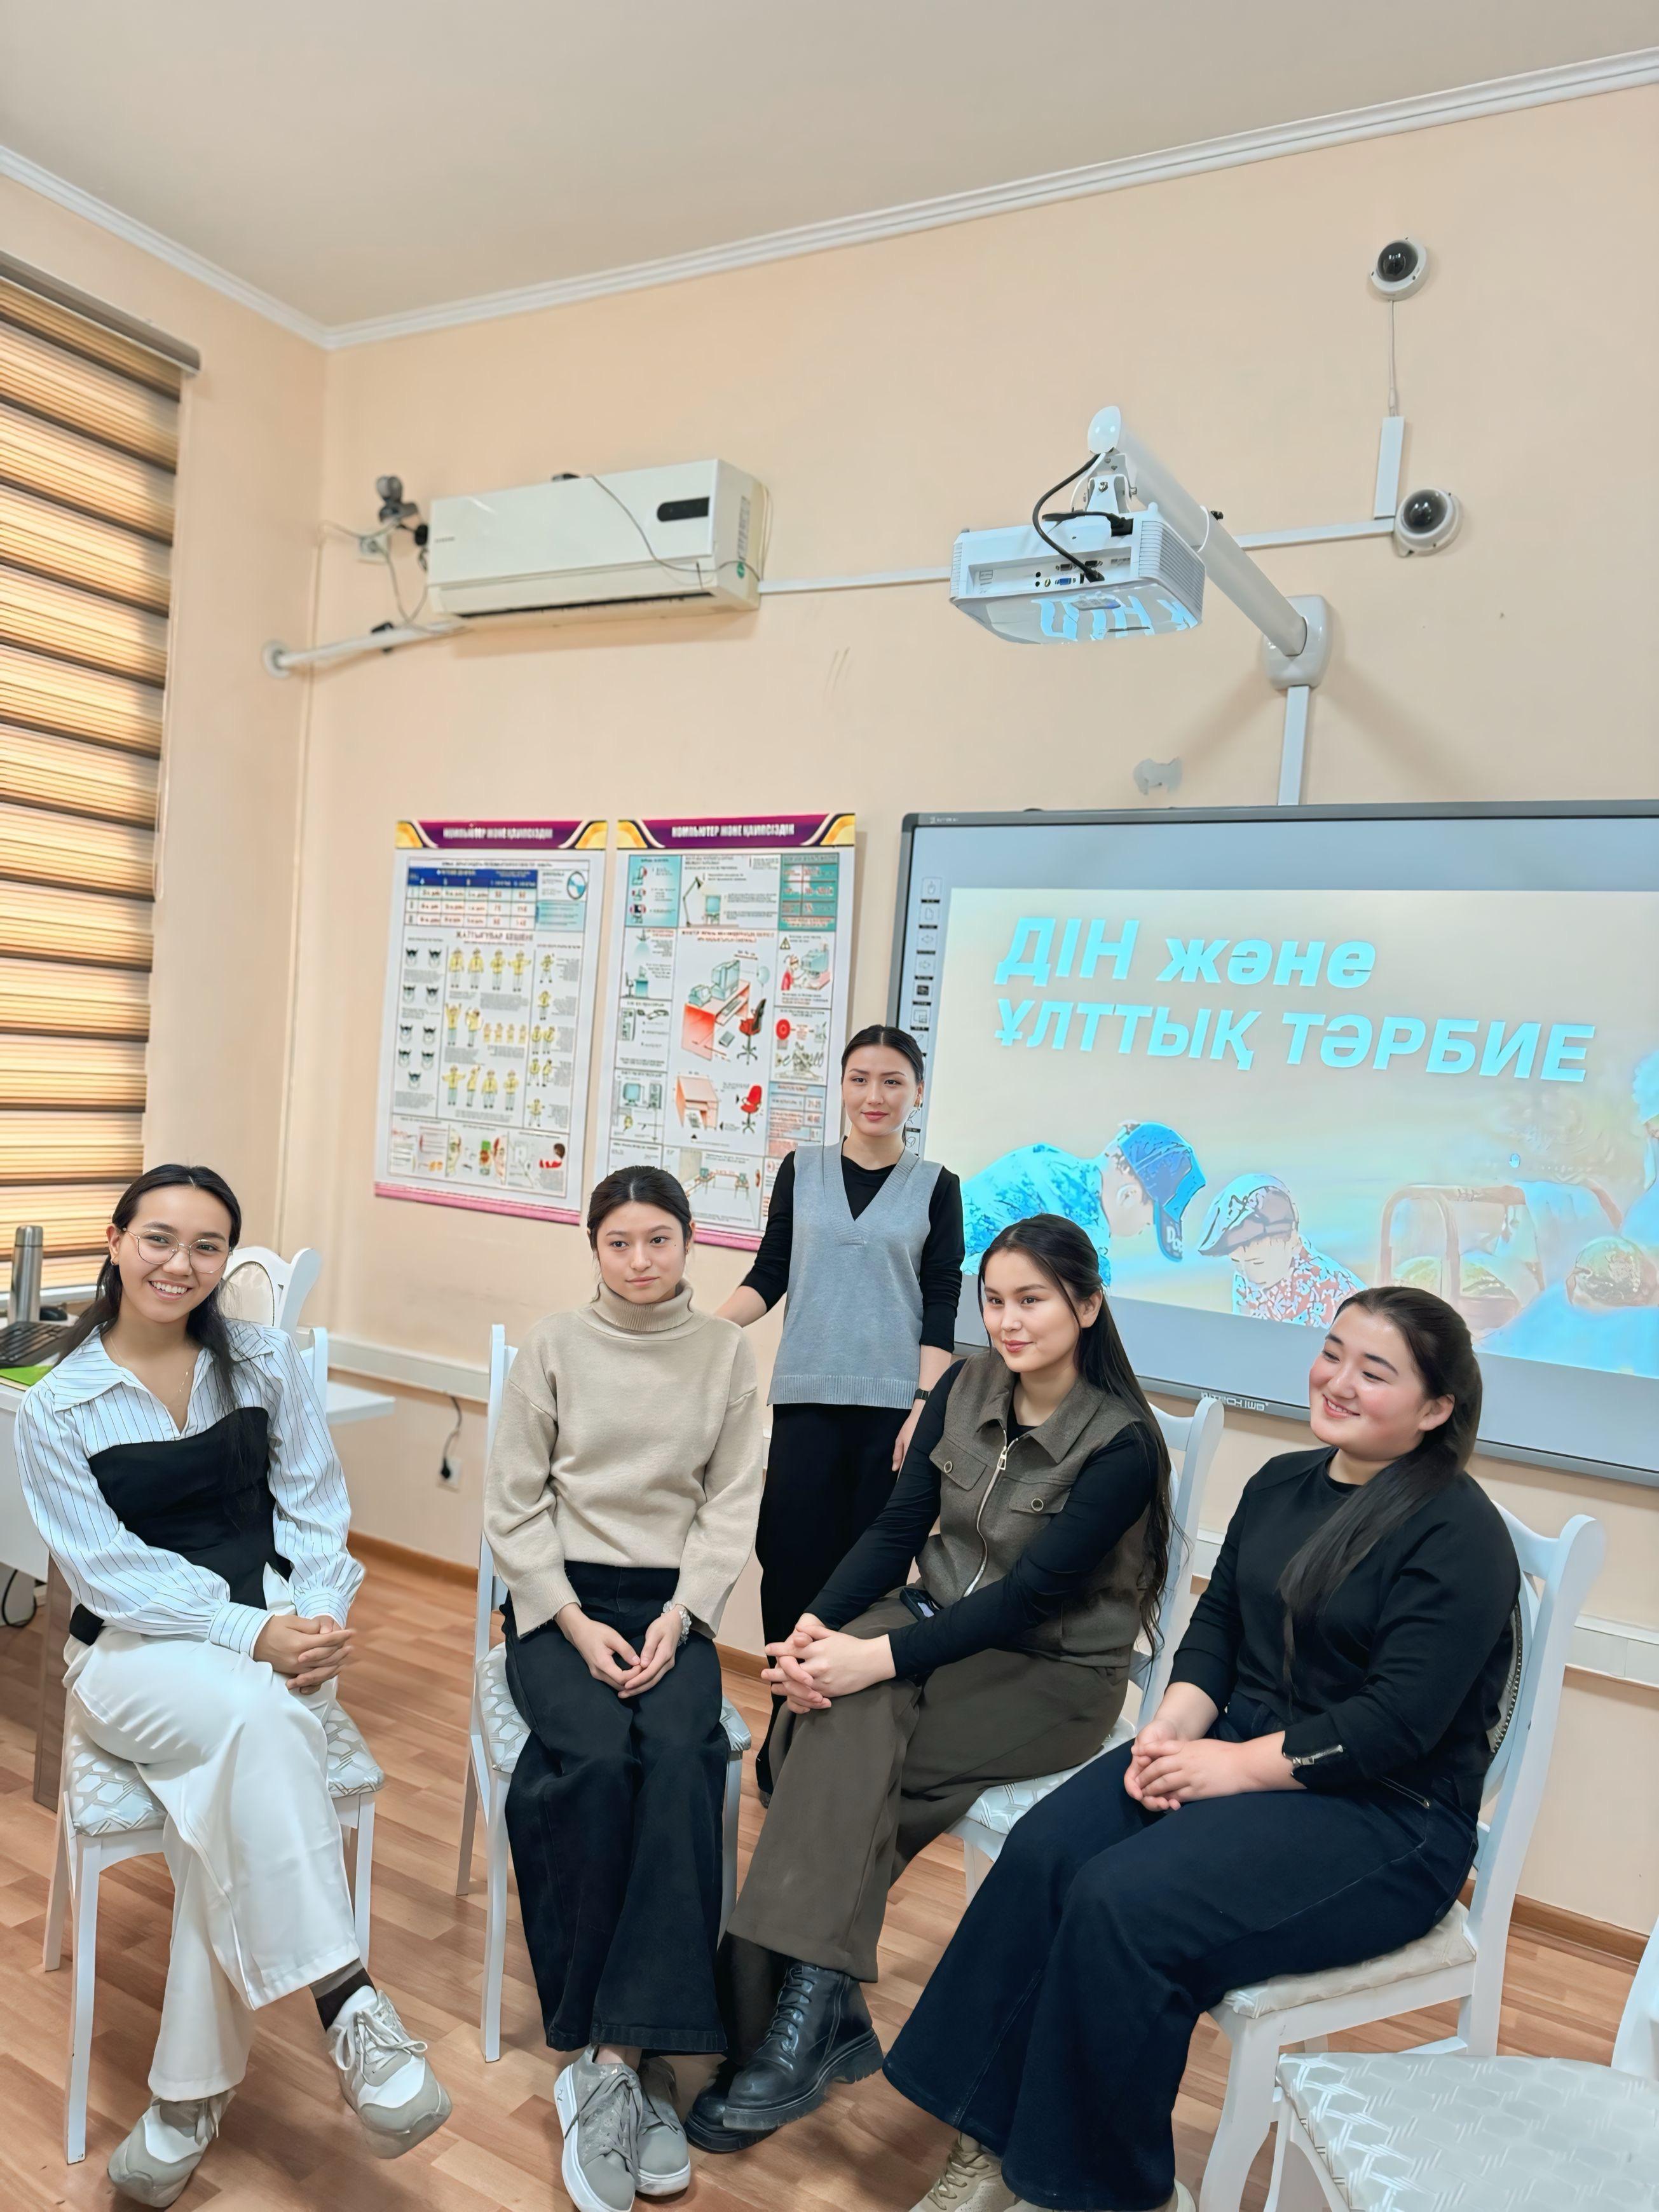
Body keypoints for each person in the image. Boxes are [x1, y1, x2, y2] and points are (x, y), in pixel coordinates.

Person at [887, 1283, 1518, 2212]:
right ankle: (991, 2138)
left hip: (1385, 1814)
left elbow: (1396, 1723)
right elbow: (1220, 1625)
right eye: (1332, 1353)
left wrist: (1230, 1767)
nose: (1338, 1381)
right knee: (1047, 1851)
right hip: (1237, 1750)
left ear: (1435, 1409)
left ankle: (1109, 2191)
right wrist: (1175, 1725)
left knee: (1125, 1904)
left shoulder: (1460, 1535)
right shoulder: (1281, 1484)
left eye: (1374, 1372)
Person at [15, 1164, 449, 2208]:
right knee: (259, 1718)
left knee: (229, 1788)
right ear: (115, 1243)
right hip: (131, 1658)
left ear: (225, 1261)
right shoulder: (59, 1404)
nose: (181, 1263)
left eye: (207, 1245)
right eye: (158, 1239)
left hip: (272, 1640)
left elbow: (313, 1504)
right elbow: (110, 1576)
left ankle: (186, 2100)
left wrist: (319, 1615)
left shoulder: (262, 1360)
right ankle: (346, 1997)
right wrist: (252, 1633)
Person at [690, 1214, 1170, 2157]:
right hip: (931, 1630)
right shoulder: (963, 1385)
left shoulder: (1121, 1445)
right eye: (994, 1301)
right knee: (831, 1717)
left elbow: (1028, 1600)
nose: (1008, 1322)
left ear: (1087, 1305)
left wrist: (869, 1659)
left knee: (839, 1737)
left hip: (1050, 1672)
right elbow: (894, 1529)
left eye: (1032, 1300)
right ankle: (812, 2012)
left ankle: (771, 2014)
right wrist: (815, 1627)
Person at [484, 1164, 763, 2212]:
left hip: (671, 1607)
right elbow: (514, 1506)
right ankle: (612, 2061)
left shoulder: (725, 1353)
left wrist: (682, 1617)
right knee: (595, 1761)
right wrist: (568, 1618)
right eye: (619, 1242)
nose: (640, 1261)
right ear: (594, 1247)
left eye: (659, 1240)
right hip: (558, 1602)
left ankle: (618, 2057)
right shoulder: (555, 1346)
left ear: (690, 1242)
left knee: (684, 1754)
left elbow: (729, 1506)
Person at [718, 1024, 964, 1792]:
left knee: (866, 1585)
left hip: (893, 1416)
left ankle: (836, 1746)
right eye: (860, 1079)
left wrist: (924, 1404)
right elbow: (770, 1274)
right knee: (789, 1571)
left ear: (917, 1092)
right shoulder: (804, 1170)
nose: (874, 1096)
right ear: (843, 1087)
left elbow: (941, 1300)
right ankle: (783, 1734)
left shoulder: (937, 1186)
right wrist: (701, 1332)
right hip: (805, 1403)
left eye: (893, 1081)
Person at [959, 1123, 1203, 1285]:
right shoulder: (1088, 1245)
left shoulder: (1044, 1158)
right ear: (1128, 1196)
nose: (1146, 1227)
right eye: (1152, 1219)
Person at [1196, 1173, 1362, 1327]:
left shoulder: (1336, 1290)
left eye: (1258, 1263)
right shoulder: (1244, 1276)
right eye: (1237, 1263)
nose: (1248, 1276)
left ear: (1292, 1240)